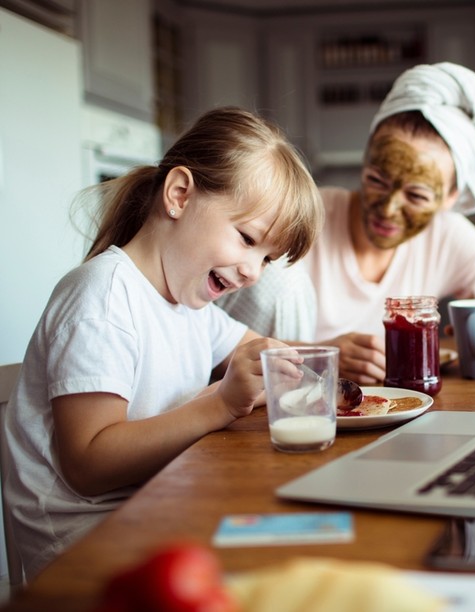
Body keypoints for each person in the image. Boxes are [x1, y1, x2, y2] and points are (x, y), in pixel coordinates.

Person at [0, 106, 322, 583]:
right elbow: (88, 463)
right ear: (179, 195)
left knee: (303, 539)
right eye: (247, 238)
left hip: (157, 510)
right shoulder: (103, 298)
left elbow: (267, 354)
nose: (254, 271)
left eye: (267, 258)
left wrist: (323, 374)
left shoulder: (187, 305)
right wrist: (220, 405)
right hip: (86, 552)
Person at [221, 62, 475, 384]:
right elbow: (209, 335)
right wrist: (322, 355)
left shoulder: (447, 235)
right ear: (365, 159)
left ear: (451, 198)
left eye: (416, 196)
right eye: (376, 180)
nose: (388, 209)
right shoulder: (304, 213)